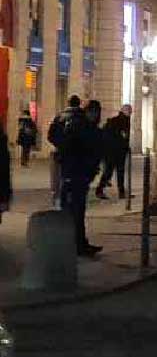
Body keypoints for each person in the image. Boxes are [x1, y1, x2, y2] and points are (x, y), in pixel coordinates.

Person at [50, 97, 104, 256]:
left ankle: (76, 243)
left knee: (73, 209)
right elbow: (82, 148)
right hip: (76, 172)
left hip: (75, 172)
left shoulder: (66, 119)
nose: (95, 115)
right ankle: (76, 244)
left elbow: (54, 137)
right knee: (75, 210)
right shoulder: (81, 126)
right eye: (93, 112)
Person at [96, 104, 132, 199]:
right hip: (114, 151)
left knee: (114, 171)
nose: (130, 113)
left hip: (116, 150)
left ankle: (121, 192)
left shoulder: (123, 120)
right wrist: (124, 145)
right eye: (129, 111)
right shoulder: (120, 121)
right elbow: (121, 137)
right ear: (124, 111)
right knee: (110, 171)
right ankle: (100, 190)